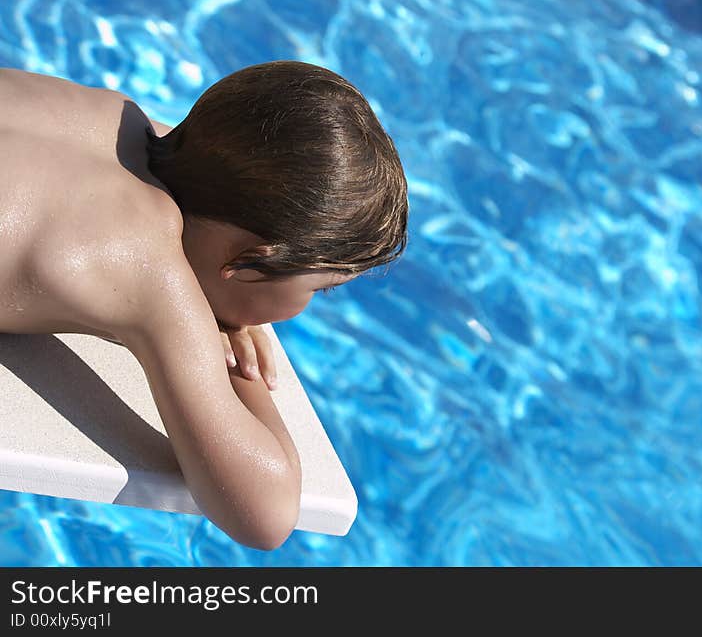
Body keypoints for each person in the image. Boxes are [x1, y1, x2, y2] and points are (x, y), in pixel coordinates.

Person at [0, 60, 409, 550]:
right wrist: (231, 358)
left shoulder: (122, 116)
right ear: (250, 265)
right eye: (318, 289)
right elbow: (266, 515)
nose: (311, 305)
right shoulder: (150, 269)